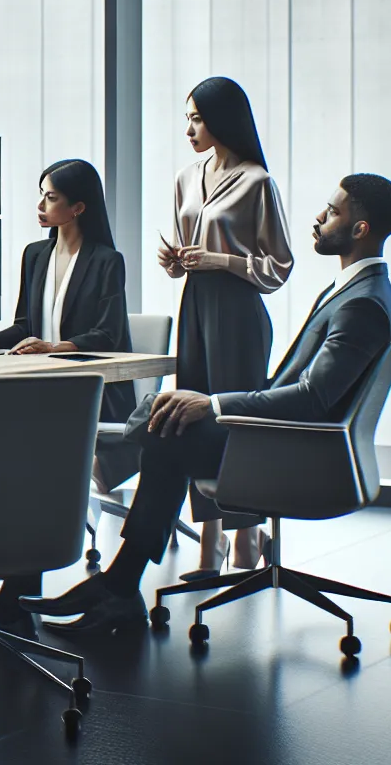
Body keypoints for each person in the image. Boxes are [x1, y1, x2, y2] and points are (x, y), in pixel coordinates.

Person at [20, 174, 391, 634]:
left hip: (301, 455)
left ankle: (117, 581)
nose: (320, 218)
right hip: (289, 442)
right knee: (167, 424)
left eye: (334, 211)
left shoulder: (362, 304)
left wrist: (213, 404)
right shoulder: (357, 290)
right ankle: (118, 585)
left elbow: (311, 397)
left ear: (360, 229)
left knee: (166, 430)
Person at [0, 158, 135, 632]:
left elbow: (108, 334)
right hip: (38, 389)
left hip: (88, 392)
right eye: (41, 194)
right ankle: (2, 570)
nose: (40, 205)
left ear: (78, 207)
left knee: (22, 456)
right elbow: (24, 326)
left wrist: (54, 348)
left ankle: (15, 588)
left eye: (51, 197)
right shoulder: (34, 255)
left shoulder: (106, 261)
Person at [156, 76, 293, 578]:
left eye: (197, 118)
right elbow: (185, 252)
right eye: (187, 119)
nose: (189, 129)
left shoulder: (257, 182)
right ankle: (210, 540)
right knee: (190, 419)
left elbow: (279, 266)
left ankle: (246, 537)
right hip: (195, 304)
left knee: (234, 421)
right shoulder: (185, 177)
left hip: (238, 311)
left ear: (221, 119)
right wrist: (174, 262)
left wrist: (220, 260)